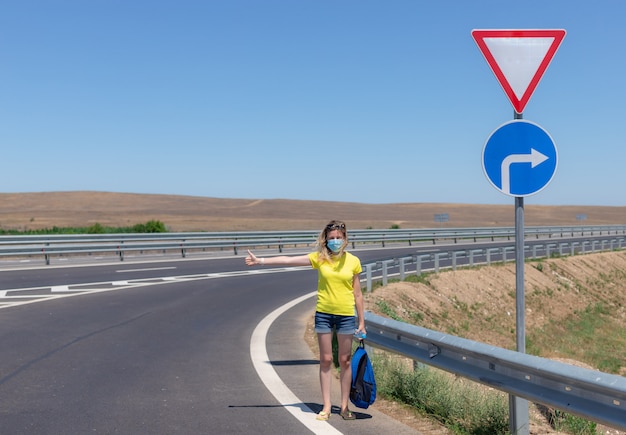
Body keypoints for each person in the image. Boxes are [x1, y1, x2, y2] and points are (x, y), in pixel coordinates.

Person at [245, 220, 365, 421]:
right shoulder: (320, 259)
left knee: (344, 361)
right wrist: (261, 261)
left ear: (345, 239)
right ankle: (327, 406)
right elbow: (288, 260)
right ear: (326, 239)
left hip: (346, 315)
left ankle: (344, 407)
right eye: (332, 238)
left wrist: (361, 321)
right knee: (326, 360)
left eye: (339, 238)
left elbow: (358, 294)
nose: (335, 241)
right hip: (324, 314)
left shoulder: (353, 261)